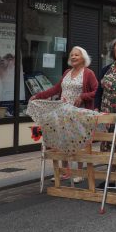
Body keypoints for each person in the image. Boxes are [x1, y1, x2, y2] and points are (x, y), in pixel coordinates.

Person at [30, 46, 98, 182]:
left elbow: (96, 90)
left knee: (78, 143)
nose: (73, 57)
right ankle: (66, 172)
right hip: (63, 113)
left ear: (83, 58)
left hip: (79, 114)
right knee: (63, 142)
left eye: (76, 55)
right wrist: (38, 96)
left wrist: (83, 96)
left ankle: (79, 172)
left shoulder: (88, 73)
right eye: (72, 55)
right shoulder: (67, 72)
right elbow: (56, 89)